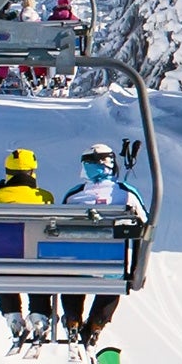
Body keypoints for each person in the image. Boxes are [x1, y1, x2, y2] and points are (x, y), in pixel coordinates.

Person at [59, 143, 147, 346]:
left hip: (75, 266)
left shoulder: (74, 195)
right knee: (113, 280)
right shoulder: (126, 193)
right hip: (111, 266)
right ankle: (97, 323)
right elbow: (144, 223)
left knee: (73, 277)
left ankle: (73, 319)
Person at [0, 148, 58, 349]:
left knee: (2, 266)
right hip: (36, 259)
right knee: (40, 267)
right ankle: (39, 313)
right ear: (32, 171)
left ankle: (12, 313)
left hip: (6, 258)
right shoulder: (45, 197)